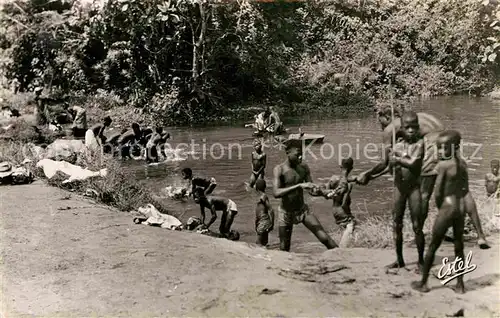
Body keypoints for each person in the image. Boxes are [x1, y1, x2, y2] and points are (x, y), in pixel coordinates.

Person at [411, 130, 470, 294]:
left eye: (443, 148)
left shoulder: (443, 166)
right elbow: (465, 189)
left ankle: (423, 283)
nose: (439, 152)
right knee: (459, 246)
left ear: (454, 147)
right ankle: (460, 285)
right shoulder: (463, 164)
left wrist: (440, 209)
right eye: (439, 148)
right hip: (460, 208)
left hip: (447, 207)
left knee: (433, 246)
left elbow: (437, 192)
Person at [272, 138, 338, 252]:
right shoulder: (279, 169)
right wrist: (298, 186)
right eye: (298, 154)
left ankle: (342, 257)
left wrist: (324, 193)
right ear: (287, 152)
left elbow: (312, 190)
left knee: (324, 238)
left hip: (302, 211)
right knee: (284, 248)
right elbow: (276, 193)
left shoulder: (303, 167)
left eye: (302, 154)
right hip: (285, 213)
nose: (300, 157)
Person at [313, 158, 357, 229]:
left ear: (340, 166)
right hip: (343, 212)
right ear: (351, 168)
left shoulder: (333, 179)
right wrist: (349, 215)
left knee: (343, 229)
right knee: (351, 228)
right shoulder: (348, 184)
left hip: (335, 211)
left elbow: (326, 195)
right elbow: (344, 204)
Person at [254, 179, 275, 247]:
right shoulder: (262, 196)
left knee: (258, 244)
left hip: (263, 221)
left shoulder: (263, 197)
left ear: (256, 187)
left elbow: (271, 210)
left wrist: (272, 223)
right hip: (263, 221)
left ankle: (261, 256)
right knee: (264, 243)